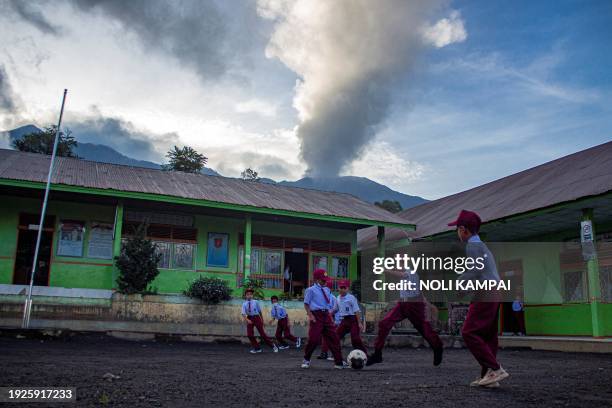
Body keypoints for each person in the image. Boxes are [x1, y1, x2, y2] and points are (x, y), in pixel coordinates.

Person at [449, 209, 509, 387]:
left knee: (469, 332)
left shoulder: (473, 246)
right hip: (494, 291)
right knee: (489, 335)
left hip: (486, 292)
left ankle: (496, 369)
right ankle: (489, 376)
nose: (457, 232)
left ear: (463, 230)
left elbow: (475, 270)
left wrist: (459, 283)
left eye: (457, 229)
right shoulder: (481, 245)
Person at [367, 268, 443, 367]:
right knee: (384, 323)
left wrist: (385, 270)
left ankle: (438, 347)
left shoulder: (410, 272)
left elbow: (402, 275)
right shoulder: (408, 275)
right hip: (402, 304)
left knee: (424, 329)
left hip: (414, 305)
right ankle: (377, 354)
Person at [301, 269, 345, 369]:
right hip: (316, 315)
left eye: (326, 279)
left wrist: (330, 316)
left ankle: (339, 362)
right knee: (313, 339)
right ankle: (306, 359)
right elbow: (306, 303)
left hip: (326, 315)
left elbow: (328, 303)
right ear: (317, 279)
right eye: (322, 280)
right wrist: (310, 315)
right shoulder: (310, 290)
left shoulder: (327, 289)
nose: (325, 281)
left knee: (334, 338)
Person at [333, 279, 368, 354]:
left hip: (353, 320)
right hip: (344, 320)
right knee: (336, 337)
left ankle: (363, 354)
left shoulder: (351, 298)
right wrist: (328, 314)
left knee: (355, 339)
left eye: (344, 288)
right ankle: (336, 354)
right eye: (340, 287)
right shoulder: (338, 298)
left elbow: (357, 311)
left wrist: (359, 323)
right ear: (338, 288)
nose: (342, 290)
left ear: (347, 289)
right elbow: (335, 309)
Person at [241, 288, 279, 354]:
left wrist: (262, 320)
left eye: (250, 294)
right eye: (247, 294)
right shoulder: (244, 304)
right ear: (245, 296)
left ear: (252, 295)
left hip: (256, 317)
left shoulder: (256, 302)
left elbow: (259, 312)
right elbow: (243, 313)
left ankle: (273, 346)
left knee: (262, 334)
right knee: (249, 334)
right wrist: (247, 320)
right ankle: (257, 348)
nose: (249, 296)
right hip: (249, 318)